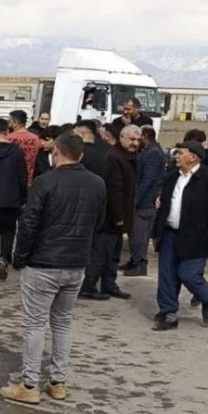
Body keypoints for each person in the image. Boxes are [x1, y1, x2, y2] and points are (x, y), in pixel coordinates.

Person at [0, 132, 106, 405]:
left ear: (55, 152)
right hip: (76, 262)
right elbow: (97, 221)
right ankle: (58, 381)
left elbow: (29, 223)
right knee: (62, 322)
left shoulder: (45, 182)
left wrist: (19, 257)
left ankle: (29, 383)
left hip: (44, 263)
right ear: (80, 155)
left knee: (35, 323)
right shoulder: (97, 184)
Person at [152, 141, 208, 331]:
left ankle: (206, 296)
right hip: (169, 234)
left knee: (188, 274)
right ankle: (168, 313)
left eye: (180, 153)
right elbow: (164, 205)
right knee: (167, 276)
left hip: (196, 236)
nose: (176, 156)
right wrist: (156, 231)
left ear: (193, 156)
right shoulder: (172, 177)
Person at [82, 125, 137, 301]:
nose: (135, 143)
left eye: (137, 140)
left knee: (113, 253)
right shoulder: (114, 157)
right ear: (121, 137)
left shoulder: (127, 157)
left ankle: (109, 284)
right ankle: (88, 286)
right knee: (101, 253)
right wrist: (118, 216)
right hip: (109, 218)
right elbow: (114, 189)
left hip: (119, 217)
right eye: (131, 139)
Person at [0, 118, 27, 281]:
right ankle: (3, 258)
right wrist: (22, 197)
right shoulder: (16, 151)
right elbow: (22, 176)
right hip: (10, 198)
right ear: (7, 132)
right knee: (8, 232)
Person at [125, 126, 166, 277]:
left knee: (139, 235)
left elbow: (147, 180)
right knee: (135, 234)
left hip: (145, 203)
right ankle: (134, 260)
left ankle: (139, 263)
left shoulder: (153, 153)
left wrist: (136, 200)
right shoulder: (147, 152)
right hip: (144, 200)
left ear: (146, 135)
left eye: (139, 137)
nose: (137, 141)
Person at [7, 110, 43, 186]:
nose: (8, 123)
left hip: (11, 179)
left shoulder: (8, 138)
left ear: (15, 122)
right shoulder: (36, 138)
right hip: (29, 180)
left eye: (9, 120)